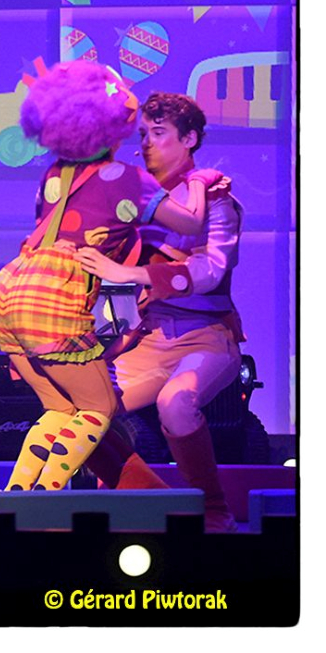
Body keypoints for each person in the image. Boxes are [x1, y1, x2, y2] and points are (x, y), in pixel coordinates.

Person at [0, 62, 222, 492]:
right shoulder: (130, 180)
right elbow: (190, 222)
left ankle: (15, 496)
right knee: (98, 408)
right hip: (52, 299)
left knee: (60, 411)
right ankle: (45, 494)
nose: (142, 141)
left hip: (9, 291)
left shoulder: (53, 174)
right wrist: (199, 183)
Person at [76, 92, 245, 531]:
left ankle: (214, 511)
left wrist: (130, 274)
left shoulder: (214, 196)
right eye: (143, 135)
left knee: (177, 402)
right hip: (147, 338)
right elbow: (117, 282)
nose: (147, 144)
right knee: (82, 412)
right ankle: (147, 500)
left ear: (189, 139)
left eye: (158, 133)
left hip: (206, 336)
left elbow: (210, 270)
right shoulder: (134, 200)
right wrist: (108, 333)